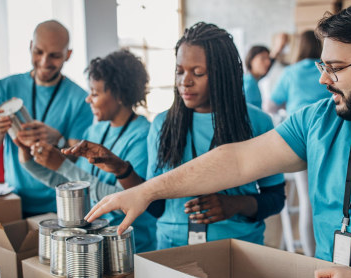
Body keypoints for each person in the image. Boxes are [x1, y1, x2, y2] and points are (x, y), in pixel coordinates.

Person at [85, 2, 351, 278]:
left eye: (336, 67)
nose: (322, 80)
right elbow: (236, 162)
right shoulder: (320, 120)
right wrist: (147, 189)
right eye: (322, 65)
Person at [69, 22, 286, 249]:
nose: (185, 81)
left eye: (198, 72)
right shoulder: (163, 124)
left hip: (238, 248)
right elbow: (157, 206)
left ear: (222, 73)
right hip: (173, 249)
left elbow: (275, 198)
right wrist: (121, 169)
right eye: (180, 71)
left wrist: (236, 204)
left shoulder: (257, 122)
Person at [15, 50, 158, 252]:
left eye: (95, 93)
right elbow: (77, 189)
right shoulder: (95, 130)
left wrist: (62, 165)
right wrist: (29, 160)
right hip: (96, 247)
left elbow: (126, 200)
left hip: (131, 248)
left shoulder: (143, 136)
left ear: (119, 95)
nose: (88, 99)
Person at [0, 20, 93, 217]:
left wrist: (58, 140)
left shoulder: (80, 99)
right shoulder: (6, 87)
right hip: (13, 200)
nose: (45, 61)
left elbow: (81, 162)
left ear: (68, 55)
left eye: (55, 56)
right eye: (38, 52)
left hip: (60, 206)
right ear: (30, 46)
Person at [265, 30, 326, 257]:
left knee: (307, 203)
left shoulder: (291, 73)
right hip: (330, 139)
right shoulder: (328, 70)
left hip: (300, 141)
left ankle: (310, 259)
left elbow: (271, 106)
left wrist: (288, 109)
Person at [266, 30, 326, 116]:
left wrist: (287, 104)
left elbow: (269, 107)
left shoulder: (290, 72)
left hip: (297, 122)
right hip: (327, 122)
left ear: (299, 47)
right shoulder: (329, 69)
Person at [243, 33, 288, 109]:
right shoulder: (249, 84)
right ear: (251, 59)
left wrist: (278, 49)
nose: (268, 62)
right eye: (263, 58)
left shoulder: (251, 79)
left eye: (268, 59)